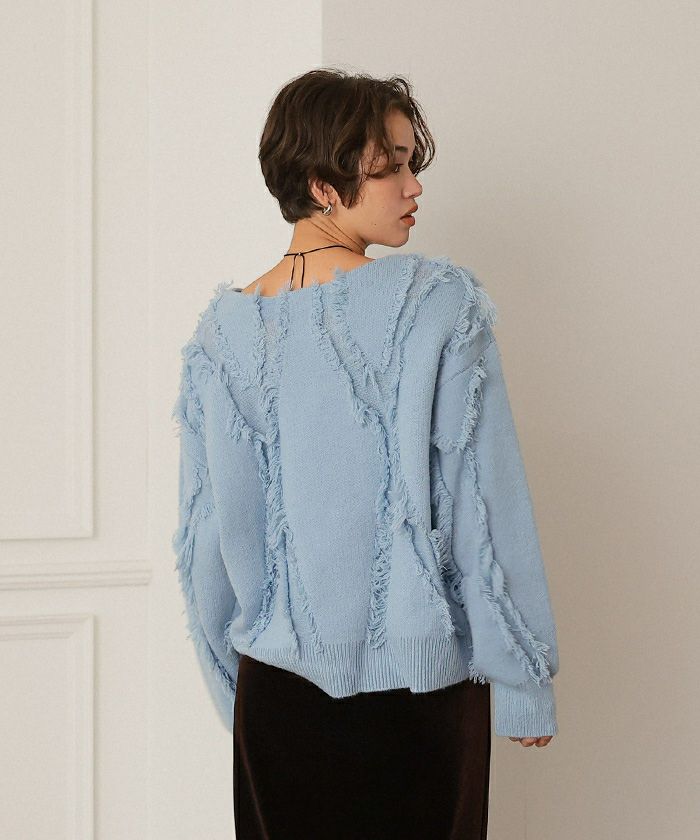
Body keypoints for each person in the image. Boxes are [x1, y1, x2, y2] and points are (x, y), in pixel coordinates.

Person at [172, 68, 560, 839]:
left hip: (275, 702)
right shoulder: (438, 307)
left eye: (414, 163)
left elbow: (202, 539)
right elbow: (483, 503)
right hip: (418, 703)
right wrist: (523, 678)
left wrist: (237, 694)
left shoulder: (220, 337)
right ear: (324, 184)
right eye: (394, 166)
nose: (415, 187)